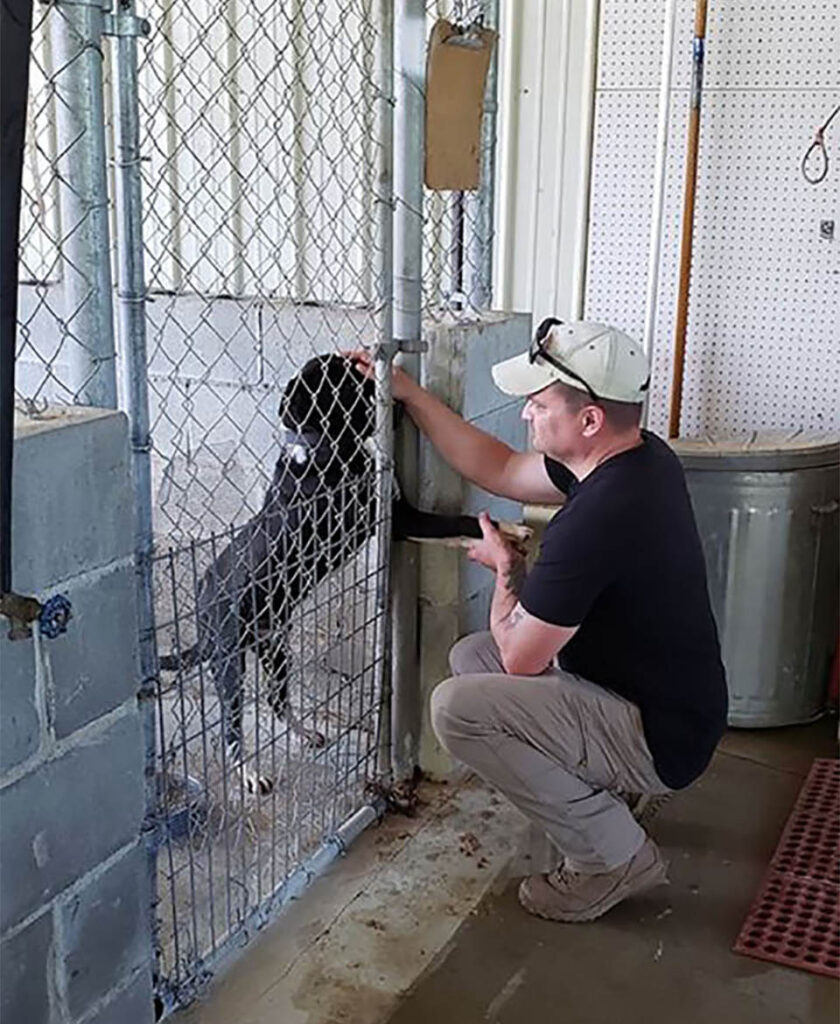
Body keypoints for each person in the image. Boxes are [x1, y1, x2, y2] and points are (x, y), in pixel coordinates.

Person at [351, 318, 728, 923]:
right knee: (472, 663)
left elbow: (520, 658)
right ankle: (606, 798)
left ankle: (612, 857)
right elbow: (496, 467)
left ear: (589, 421)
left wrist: (505, 571)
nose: (526, 413)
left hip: (659, 737)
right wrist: (412, 394)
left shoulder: (599, 516)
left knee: (457, 705)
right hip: (667, 705)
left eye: (540, 402)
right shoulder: (639, 459)